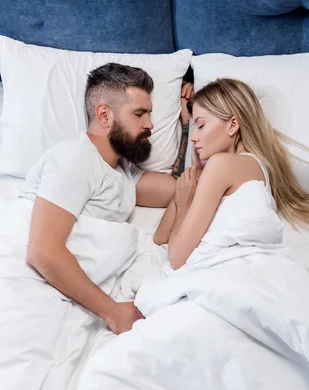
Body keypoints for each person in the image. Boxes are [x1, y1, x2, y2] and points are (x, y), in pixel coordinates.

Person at [25, 63, 193, 334]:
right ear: (104, 115)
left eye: (149, 114)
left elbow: (179, 189)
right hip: (30, 290)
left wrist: (188, 127)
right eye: (139, 114)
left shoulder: (123, 173)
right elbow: (42, 251)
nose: (149, 125)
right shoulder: (75, 158)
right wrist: (112, 312)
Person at [153, 78, 309, 269]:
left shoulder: (221, 165)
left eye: (201, 125)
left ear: (232, 125)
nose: (194, 138)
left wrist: (183, 205)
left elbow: (176, 258)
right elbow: (160, 237)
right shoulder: (256, 166)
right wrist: (196, 172)